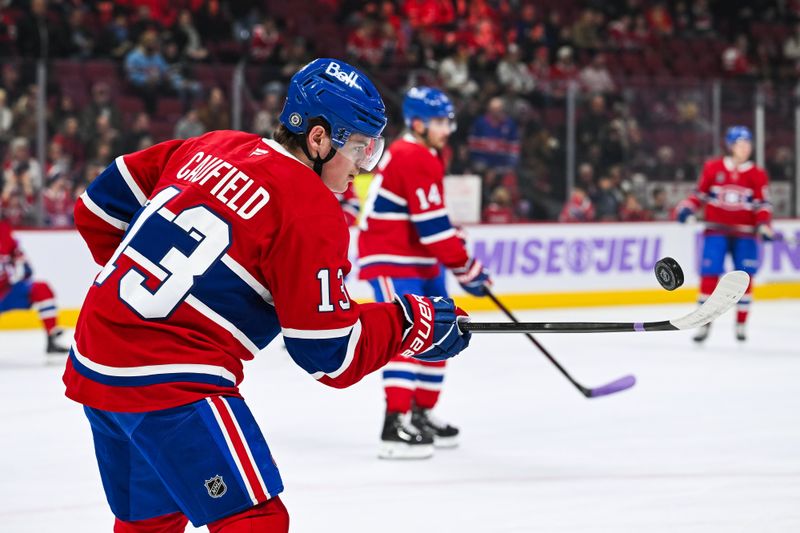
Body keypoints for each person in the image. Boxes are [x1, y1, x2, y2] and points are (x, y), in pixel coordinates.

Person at [62, 59, 473, 532]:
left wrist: (145, 296)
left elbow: (97, 208)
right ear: (318, 139)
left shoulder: (212, 145)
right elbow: (330, 353)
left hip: (95, 359)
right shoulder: (310, 207)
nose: (363, 165)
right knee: (254, 520)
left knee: (151, 521)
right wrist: (412, 325)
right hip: (171, 381)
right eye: (359, 147)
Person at [358, 87, 491, 459]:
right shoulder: (411, 154)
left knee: (444, 327)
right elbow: (432, 228)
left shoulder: (426, 153)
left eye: (449, 121)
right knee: (405, 332)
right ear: (417, 123)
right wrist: (467, 268)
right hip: (390, 257)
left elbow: (431, 220)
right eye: (439, 122)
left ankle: (421, 412)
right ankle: (394, 423)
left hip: (419, 259)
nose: (447, 128)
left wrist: (459, 256)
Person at [675, 126, 773, 342]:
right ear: (730, 146)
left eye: (748, 144)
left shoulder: (757, 174)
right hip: (716, 231)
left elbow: (762, 205)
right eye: (740, 144)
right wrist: (686, 208)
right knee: (709, 276)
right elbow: (698, 195)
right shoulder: (713, 168)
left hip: (746, 235)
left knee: (745, 278)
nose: (745, 148)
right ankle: (703, 324)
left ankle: (740, 324)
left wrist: (764, 224)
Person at [0, 217, 69, 353]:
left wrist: (24, 264)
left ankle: (51, 340)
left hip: (6, 291)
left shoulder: (3, 228)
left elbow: (16, 251)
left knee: (41, 289)